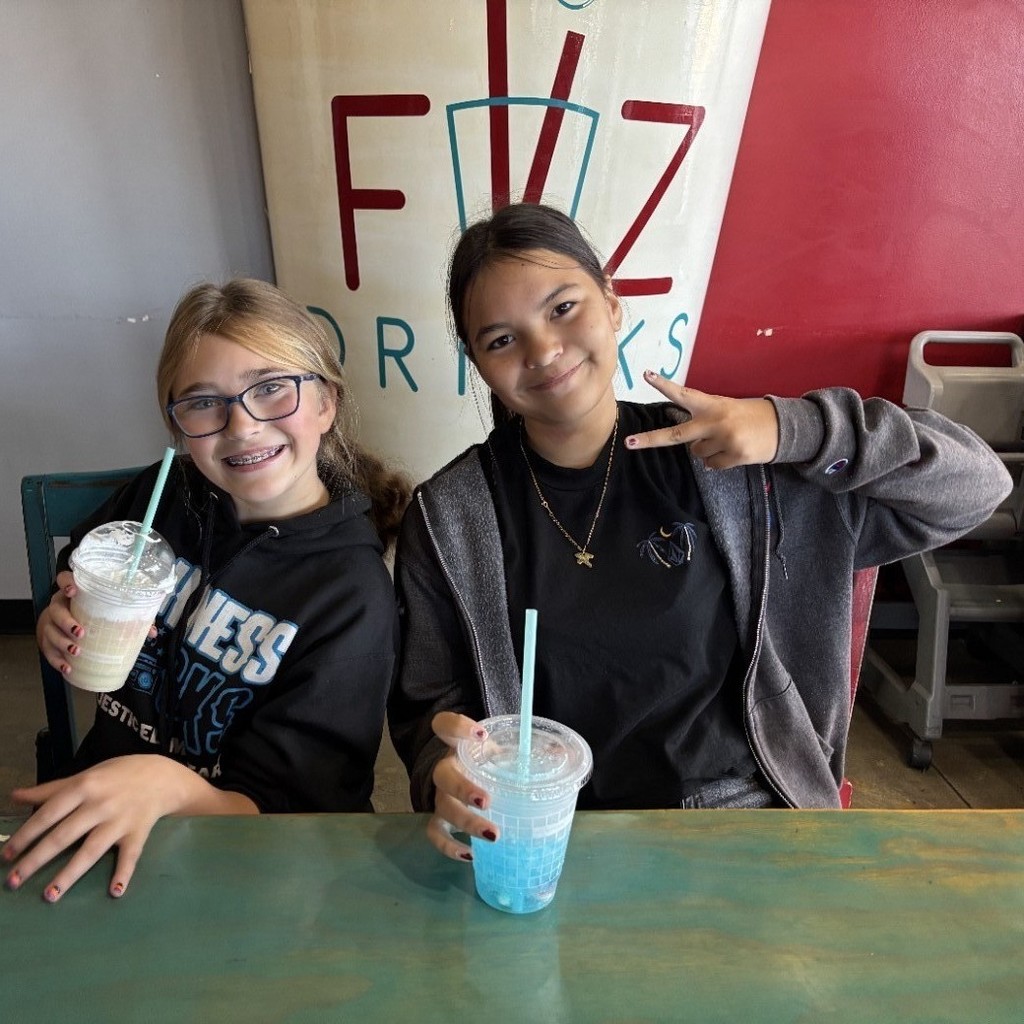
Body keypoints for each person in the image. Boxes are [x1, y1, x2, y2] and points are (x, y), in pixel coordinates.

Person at [388, 202, 1012, 862]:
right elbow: (431, 705)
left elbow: (976, 487)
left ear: (612, 303)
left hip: (745, 819)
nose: (543, 351)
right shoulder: (449, 515)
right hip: (550, 835)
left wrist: (796, 429)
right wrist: (442, 767)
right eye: (501, 340)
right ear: (478, 363)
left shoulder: (736, 464)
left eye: (563, 307)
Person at [4, 278, 411, 900]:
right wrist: (58, 615)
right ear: (177, 424)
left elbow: (294, 812)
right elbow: (78, 572)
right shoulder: (162, 494)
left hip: (249, 859)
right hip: (106, 805)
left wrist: (167, 785)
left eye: (271, 387)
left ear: (326, 402)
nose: (241, 425)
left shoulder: (350, 596)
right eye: (202, 401)